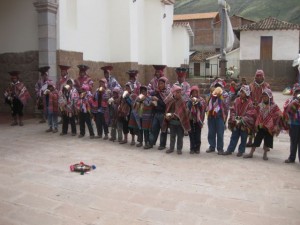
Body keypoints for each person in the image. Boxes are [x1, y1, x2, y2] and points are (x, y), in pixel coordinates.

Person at [244, 89, 282, 160]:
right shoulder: (260, 105)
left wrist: (275, 124)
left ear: (269, 97)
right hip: (261, 126)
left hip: (269, 127)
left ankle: (265, 154)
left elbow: (279, 114)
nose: (264, 98)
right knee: (256, 140)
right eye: (263, 96)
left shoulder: (274, 106)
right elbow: (255, 113)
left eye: (266, 96)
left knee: (267, 141)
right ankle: (251, 153)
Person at [223, 85, 256, 157]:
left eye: (243, 92)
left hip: (244, 124)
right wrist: (236, 119)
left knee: (244, 138)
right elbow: (233, 110)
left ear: (247, 93)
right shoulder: (236, 100)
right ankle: (230, 150)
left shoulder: (250, 103)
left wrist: (242, 120)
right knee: (234, 136)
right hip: (236, 123)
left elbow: (250, 114)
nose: (241, 93)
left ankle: (241, 151)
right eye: (241, 92)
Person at [163, 85, 191, 155]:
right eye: (177, 92)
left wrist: (181, 115)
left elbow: (185, 112)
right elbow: (168, 109)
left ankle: (179, 149)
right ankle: (171, 148)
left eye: (179, 92)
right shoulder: (171, 101)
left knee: (180, 137)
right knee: (172, 136)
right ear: (174, 93)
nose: (178, 94)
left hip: (180, 122)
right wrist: (170, 115)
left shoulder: (182, 101)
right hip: (172, 122)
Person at [206, 78, 230, 155]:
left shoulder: (225, 95)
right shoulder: (211, 94)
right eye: (216, 86)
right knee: (211, 132)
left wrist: (220, 97)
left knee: (220, 133)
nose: (217, 87)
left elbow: (226, 106)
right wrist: (212, 95)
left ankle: (220, 148)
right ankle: (212, 146)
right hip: (211, 117)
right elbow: (207, 102)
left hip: (220, 117)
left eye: (219, 86)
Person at [246, 69, 270, 146]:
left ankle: (266, 145)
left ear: (263, 77)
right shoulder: (251, 85)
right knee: (251, 124)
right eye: (257, 76)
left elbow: (269, 97)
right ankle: (250, 141)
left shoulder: (266, 86)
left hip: (263, 109)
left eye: (260, 76)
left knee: (264, 126)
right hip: (252, 109)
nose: (258, 77)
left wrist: (264, 105)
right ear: (255, 77)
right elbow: (248, 96)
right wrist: (250, 103)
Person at [149, 76, 170, 150]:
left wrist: (158, 100)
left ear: (165, 84)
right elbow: (150, 95)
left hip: (163, 114)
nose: (160, 85)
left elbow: (166, 104)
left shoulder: (168, 93)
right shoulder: (156, 92)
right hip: (156, 113)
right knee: (154, 129)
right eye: (159, 83)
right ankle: (151, 143)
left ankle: (162, 144)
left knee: (163, 130)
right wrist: (153, 101)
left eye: (162, 83)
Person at [186, 85, 206, 154]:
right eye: (193, 93)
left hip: (198, 120)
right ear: (191, 93)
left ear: (198, 93)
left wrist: (198, 103)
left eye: (196, 93)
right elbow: (187, 109)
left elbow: (203, 108)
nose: (194, 94)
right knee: (191, 134)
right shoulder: (189, 100)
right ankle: (192, 148)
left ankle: (197, 148)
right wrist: (191, 103)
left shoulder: (201, 100)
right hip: (191, 119)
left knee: (198, 134)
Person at [283, 83, 300, 163]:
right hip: (294, 125)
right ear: (294, 92)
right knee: (293, 141)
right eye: (297, 92)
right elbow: (286, 110)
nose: (298, 94)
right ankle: (292, 157)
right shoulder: (290, 101)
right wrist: (293, 105)